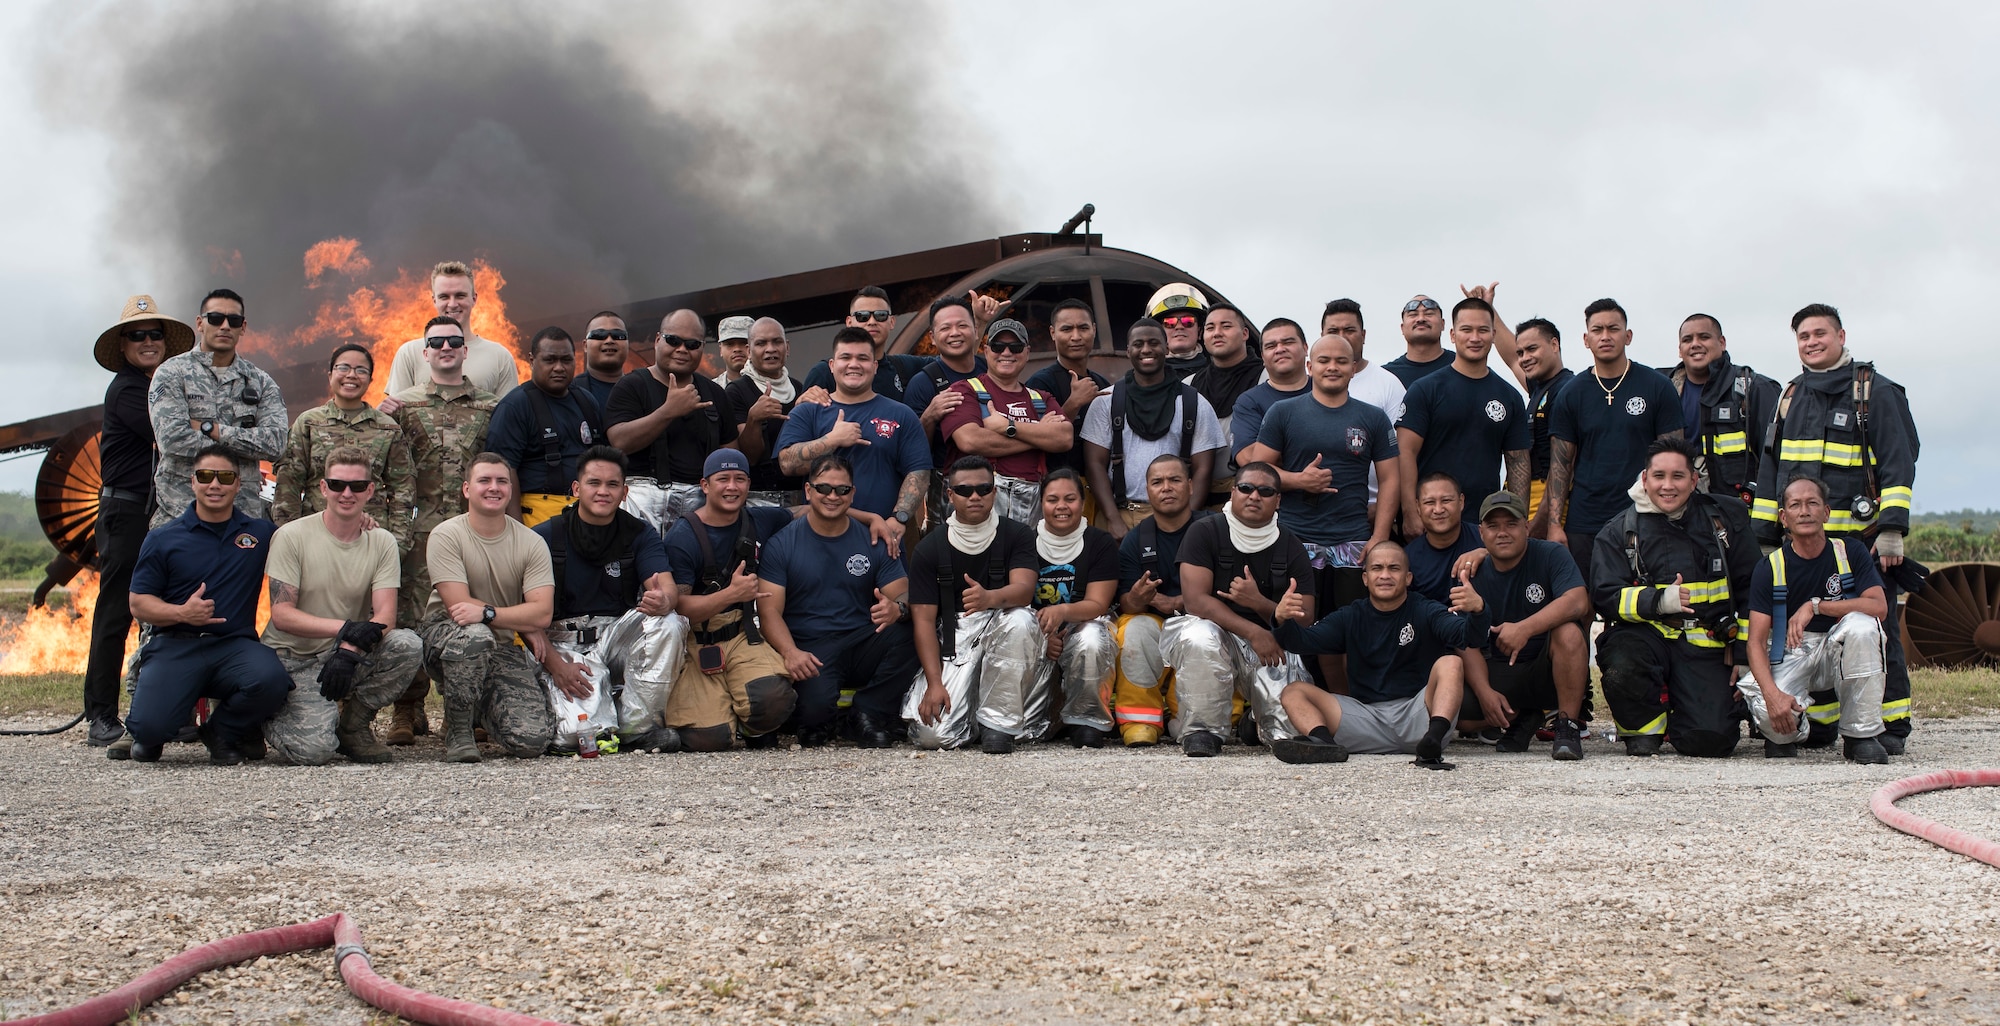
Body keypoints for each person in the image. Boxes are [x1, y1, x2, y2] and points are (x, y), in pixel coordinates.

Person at [1753, 303, 1919, 751]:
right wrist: (1769, 539)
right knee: (1807, 637)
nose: (1811, 342)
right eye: (1803, 336)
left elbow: (1899, 462)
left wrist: (1892, 529)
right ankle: (1823, 722)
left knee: (1875, 631)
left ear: (1841, 336)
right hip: (1804, 547)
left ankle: (1889, 725)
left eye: (1820, 333)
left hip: (1862, 544)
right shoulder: (1790, 396)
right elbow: (1772, 471)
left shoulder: (1874, 392)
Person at [1240, 334, 1400, 688]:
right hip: (1296, 540)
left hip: (1353, 543)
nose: (1332, 367)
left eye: (1341, 361)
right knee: (1295, 621)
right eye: (1324, 360)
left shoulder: (1372, 418)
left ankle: (1347, 704)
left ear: (1354, 368)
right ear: (1310, 367)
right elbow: (1256, 472)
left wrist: (1381, 536)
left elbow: (1391, 480)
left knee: (1348, 628)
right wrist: (1299, 480)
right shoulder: (1283, 412)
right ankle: (1280, 700)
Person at [119, 447, 290, 764]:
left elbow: (306, 539)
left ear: (238, 485)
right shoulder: (163, 539)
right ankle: (153, 727)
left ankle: (221, 731)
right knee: (149, 732)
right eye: (205, 476)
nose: (215, 485)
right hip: (176, 646)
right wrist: (181, 613)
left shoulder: (260, 533)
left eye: (225, 477)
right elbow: (138, 603)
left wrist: (357, 520)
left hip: (233, 647)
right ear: (192, 482)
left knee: (272, 681)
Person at [1591, 437, 1758, 757]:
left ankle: (1695, 714)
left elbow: (1754, 589)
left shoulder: (1724, 521)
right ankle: (1644, 730)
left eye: (1678, 476)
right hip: (1647, 639)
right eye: (1659, 476)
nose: (1668, 486)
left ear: (1694, 480)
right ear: (1644, 479)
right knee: (1622, 656)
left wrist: (1744, 650)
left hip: (1707, 644)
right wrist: (1657, 602)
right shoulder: (1619, 530)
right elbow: (1605, 595)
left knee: (1709, 741)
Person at [260, 447, 424, 765]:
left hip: (348, 652)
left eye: (357, 486)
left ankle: (354, 726)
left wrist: (350, 649)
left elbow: (386, 615)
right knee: (315, 751)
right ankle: (268, 716)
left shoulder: (382, 542)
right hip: (296, 659)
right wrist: (346, 630)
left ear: (370, 491)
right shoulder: (291, 537)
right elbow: (282, 615)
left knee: (407, 645)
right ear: (323, 488)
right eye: (337, 485)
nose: (346, 494)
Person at [83, 295, 193, 747]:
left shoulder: (160, 384)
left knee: (167, 611)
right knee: (118, 611)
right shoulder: (129, 390)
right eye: (137, 336)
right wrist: (209, 427)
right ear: (124, 346)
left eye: (155, 335)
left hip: (159, 510)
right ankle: (101, 714)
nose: (148, 342)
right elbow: (169, 433)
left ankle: (169, 708)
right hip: (126, 511)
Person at [384, 315, 500, 743]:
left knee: (467, 613)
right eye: (437, 342)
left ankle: (465, 709)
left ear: (465, 349)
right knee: (411, 618)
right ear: (425, 351)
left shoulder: (491, 407)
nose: (446, 347)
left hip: (474, 533)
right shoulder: (403, 406)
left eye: (455, 340)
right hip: (423, 532)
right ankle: (408, 709)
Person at [1268, 540, 1483, 767]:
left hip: (1418, 717)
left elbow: (1469, 638)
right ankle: (1324, 745)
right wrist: (1281, 618)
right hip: (1364, 718)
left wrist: (1478, 611)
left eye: (1394, 568)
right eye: (1377, 568)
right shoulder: (1350, 616)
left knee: (1451, 662)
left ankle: (1432, 743)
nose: (1385, 575)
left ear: (1408, 578)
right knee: (1293, 692)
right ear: (1365, 578)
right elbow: (1302, 642)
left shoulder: (1426, 610)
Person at [527, 446, 684, 755]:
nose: (603, 491)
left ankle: (636, 729)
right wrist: (555, 664)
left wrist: (663, 600)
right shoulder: (545, 536)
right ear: (576, 488)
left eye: (612, 485)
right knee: (576, 737)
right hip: (564, 641)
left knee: (670, 622)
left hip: (614, 636)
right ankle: (597, 709)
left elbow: (668, 589)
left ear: (624, 491)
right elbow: (522, 615)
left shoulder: (639, 533)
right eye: (593, 483)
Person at [757, 455, 918, 747]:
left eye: (842, 490)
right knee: (814, 723)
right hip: (811, 647)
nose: (833, 496)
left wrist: (898, 608)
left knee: (915, 629)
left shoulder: (874, 540)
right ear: (808, 491)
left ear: (853, 494)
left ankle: (867, 712)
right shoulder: (781, 543)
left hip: (862, 639)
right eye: (824, 489)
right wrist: (790, 652)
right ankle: (824, 714)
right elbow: (769, 612)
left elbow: (904, 591)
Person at [1165, 462, 1315, 757]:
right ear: (1232, 492)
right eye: (1245, 488)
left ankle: (1255, 723)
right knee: (1199, 634)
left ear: (1278, 500)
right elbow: (1195, 601)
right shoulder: (1204, 532)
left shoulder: (1291, 545)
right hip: (1219, 637)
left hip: (1269, 644)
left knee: (1287, 734)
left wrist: (1260, 604)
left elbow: (1306, 617)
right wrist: (1253, 630)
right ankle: (1202, 730)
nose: (1254, 496)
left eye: (1266, 491)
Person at [1740, 475, 1891, 763]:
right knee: (1770, 714)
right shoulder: (1769, 567)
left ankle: (1860, 736)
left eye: (1812, 503)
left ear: (1826, 512)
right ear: (1784, 517)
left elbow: (1878, 607)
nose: (1805, 511)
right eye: (1795, 505)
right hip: (1792, 651)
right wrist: (1772, 696)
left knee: (1863, 626)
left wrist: (1817, 606)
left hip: (1840, 647)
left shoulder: (1850, 551)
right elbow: (1756, 643)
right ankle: (1791, 732)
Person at [419, 454, 557, 762]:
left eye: (501, 481)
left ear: (510, 489)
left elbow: (543, 613)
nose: (493, 488)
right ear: (467, 489)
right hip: (447, 637)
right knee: (475, 636)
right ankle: (459, 729)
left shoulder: (531, 542)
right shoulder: (446, 535)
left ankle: (481, 707)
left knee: (530, 742)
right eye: (484, 481)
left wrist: (494, 614)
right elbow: (458, 606)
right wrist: (520, 619)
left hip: (500, 646)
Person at [660, 449, 800, 751]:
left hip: (743, 635)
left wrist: (873, 519)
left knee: (774, 699)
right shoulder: (683, 536)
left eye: (739, 479)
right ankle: (723, 718)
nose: (732, 487)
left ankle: (751, 724)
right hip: (696, 643)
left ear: (749, 485)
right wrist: (732, 595)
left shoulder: (760, 519)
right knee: (708, 739)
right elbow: (680, 610)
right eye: (722, 479)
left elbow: (808, 510)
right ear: (705, 485)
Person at [1538, 299, 1685, 578]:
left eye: (1613, 329)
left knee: (1647, 598)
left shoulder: (1657, 386)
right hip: (1585, 520)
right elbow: (1560, 465)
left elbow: (1675, 457)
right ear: (1586, 339)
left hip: (1646, 515)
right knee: (1586, 603)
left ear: (1627, 336)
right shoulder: (1572, 393)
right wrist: (1554, 525)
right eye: (1597, 330)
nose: (1605, 336)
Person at [904, 456, 1042, 752]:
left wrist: (989, 598)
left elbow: (1024, 591)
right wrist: (935, 683)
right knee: (932, 737)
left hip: (1007, 631)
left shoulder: (1018, 534)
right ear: (949, 495)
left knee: (1021, 619)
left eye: (983, 488)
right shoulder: (929, 548)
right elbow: (924, 622)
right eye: (965, 490)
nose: (975, 496)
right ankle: (976, 716)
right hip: (955, 642)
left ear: (995, 492)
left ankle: (998, 727)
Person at [1459, 491, 1589, 760]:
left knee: (1569, 632)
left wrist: (1525, 628)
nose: (1502, 533)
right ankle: (1522, 717)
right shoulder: (1472, 572)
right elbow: (1465, 640)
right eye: (1493, 526)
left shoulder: (1550, 554)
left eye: (1511, 524)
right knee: (1449, 705)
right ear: (1481, 533)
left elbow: (1578, 601)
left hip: (1551, 671)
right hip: (1501, 671)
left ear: (1526, 527)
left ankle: (1567, 727)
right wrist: (1484, 693)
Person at [148, 287, 289, 527]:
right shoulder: (172, 374)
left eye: (233, 321)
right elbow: (172, 439)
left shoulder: (260, 382)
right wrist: (246, 446)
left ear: (242, 327)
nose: (225, 326)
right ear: (200, 323)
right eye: (215, 318)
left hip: (242, 518)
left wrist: (211, 429)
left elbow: (275, 444)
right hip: (180, 514)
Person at [1081, 318, 1226, 539]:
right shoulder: (1106, 401)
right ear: (1128, 350)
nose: (1146, 349)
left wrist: (1187, 522)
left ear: (1166, 348)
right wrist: (1113, 519)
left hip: (1175, 518)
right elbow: (1094, 464)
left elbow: (1203, 470)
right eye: (1138, 344)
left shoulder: (1194, 403)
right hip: (1119, 515)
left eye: (1154, 343)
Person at [776, 328, 929, 536]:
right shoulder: (807, 411)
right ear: (832, 365)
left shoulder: (902, 414)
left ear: (875, 366)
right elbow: (787, 464)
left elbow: (918, 471)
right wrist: (832, 440)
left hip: (882, 536)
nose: (854, 364)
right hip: (820, 538)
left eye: (863, 358)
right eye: (845, 357)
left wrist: (899, 517)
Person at [1395, 296, 1529, 535]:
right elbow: (1405, 453)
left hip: (1484, 524)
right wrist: (1410, 512)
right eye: (1466, 330)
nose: (1475, 338)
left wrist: (1516, 518)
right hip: (1430, 524)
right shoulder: (1425, 390)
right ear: (1453, 335)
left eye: (1483, 330)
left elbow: (1517, 462)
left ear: (1494, 334)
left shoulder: (1509, 396)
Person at [1110, 455, 1214, 747]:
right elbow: (1126, 605)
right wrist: (1137, 597)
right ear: (1147, 490)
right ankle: (1141, 722)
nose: (1166, 488)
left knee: (1209, 630)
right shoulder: (1134, 540)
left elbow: (1227, 590)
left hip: (1202, 620)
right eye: (1157, 482)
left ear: (1191, 486)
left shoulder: (1214, 528)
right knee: (1133, 628)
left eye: (1175, 480)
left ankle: (1197, 721)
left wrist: (1178, 602)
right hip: (1156, 624)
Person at [271, 344, 413, 548]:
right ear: (330, 375)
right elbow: (288, 485)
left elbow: (402, 491)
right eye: (343, 368)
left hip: (371, 540)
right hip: (315, 539)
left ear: (370, 380)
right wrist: (291, 540)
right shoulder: (309, 423)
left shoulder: (388, 428)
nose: (352, 375)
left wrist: (396, 546)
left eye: (361, 370)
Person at [606, 308, 736, 530]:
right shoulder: (631, 385)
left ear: (702, 348)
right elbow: (618, 441)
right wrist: (668, 411)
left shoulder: (715, 394)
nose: (682, 349)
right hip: (641, 507)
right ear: (658, 340)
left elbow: (731, 455)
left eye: (692, 344)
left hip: (702, 507)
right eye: (673, 340)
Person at [936, 317, 1070, 522]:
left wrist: (1009, 427)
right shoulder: (964, 390)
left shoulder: (1041, 398)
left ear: (1027, 352)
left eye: (1015, 347)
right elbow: (971, 440)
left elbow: (1064, 438)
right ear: (986, 351)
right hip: (975, 501)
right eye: (998, 346)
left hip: (1031, 506)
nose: (1006, 353)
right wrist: (1039, 435)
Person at [1026, 470, 1121, 747]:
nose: (1061, 507)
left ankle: (1086, 718)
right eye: (1052, 499)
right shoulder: (1024, 541)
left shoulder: (1100, 543)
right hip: (1037, 632)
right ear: (1041, 503)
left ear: (1082, 501)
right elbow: (1016, 603)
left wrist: (1062, 613)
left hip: (1081, 627)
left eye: (1070, 498)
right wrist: (1044, 636)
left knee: (1092, 638)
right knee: (1029, 730)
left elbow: (1098, 604)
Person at [486, 327, 606, 526]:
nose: (559, 367)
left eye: (566, 360)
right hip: (537, 518)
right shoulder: (514, 406)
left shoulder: (587, 401)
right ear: (532, 361)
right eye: (550, 360)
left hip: (589, 514)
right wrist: (517, 534)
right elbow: (503, 472)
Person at [1662, 313, 1779, 506]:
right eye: (1687, 339)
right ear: (1679, 349)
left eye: (1704, 337)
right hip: (1680, 513)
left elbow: (1775, 462)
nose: (1695, 344)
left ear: (1722, 343)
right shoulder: (1664, 390)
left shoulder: (1755, 389)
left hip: (1738, 517)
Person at [382, 260, 520, 402]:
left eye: (460, 295)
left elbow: (508, 416)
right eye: (444, 297)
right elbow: (395, 413)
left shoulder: (499, 357)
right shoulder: (409, 353)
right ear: (434, 300)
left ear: (474, 299)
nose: (453, 304)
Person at [1319, 298, 1407, 509]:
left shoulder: (1388, 384)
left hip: (1375, 507)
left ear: (1363, 335)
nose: (1342, 337)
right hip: (1315, 510)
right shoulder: (1310, 382)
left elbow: (1402, 452)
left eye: (1349, 330)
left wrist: (1389, 506)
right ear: (1322, 336)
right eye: (1333, 331)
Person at [726, 316, 810, 507]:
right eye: (761, 343)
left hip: (800, 498)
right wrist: (753, 419)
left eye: (777, 342)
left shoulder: (800, 389)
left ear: (787, 347)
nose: (770, 349)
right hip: (756, 500)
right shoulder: (736, 391)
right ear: (749, 350)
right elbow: (747, 457)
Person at [801, 286, 934, 405]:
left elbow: (947, 363)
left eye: (880, 315)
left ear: (892, 322)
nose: (872, 321)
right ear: (849, 322)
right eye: (862, 316)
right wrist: (801, 403)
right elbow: (802, 424)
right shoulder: (824, 373)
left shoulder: (903, 367)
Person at [1494, 316, 1573, 518]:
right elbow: (1512, 360)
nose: (1524, 358)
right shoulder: (1540, 386)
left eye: (1532, 349)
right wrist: (1488, 308)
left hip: (1546, 496)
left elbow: (1565, 465)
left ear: (1554, 344)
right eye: (1521, 352)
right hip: (1521, 492)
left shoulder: (1566, 390)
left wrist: (1544, 519)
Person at [1023, 298, 1110, 480]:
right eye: (1067, 329)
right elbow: (1033, 440)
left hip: (1101, 489)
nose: (1076, 337)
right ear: (1053, 333)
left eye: (1083, 328)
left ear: (1094, 329)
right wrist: (1073, 403)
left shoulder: (1103, 384)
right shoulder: (1040, 384)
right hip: (1057, 490)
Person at [1191, 302, 1265, 508]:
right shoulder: (1188, 385)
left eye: (1226, 326)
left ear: (1244, 333)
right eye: (1210, 328)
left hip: (1252, 497)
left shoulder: (1267, 379)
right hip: (1198, 499)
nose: (1217, 333)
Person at [1229, 318, 1309, 474]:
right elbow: (1249, 460)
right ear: (1263, 357)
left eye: (1288, 342)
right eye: (1271, 346)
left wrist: (1274, 452)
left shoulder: (1326, 390)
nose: (1280, 349)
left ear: (1305, 348)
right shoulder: (1249, 402)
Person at [1406, 474, 1485, 604]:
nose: (1438, 510)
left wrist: (1487, 553)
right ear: (1418, 507)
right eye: (1429, 502)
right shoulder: (1409, 558)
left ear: (1461, 502)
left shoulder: (1485, 537)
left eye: (1446, 500)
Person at [1382, 295, 1454, 388]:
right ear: (1402, 328)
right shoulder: (1386, 376)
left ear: (1442, 324)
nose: (1421, 319)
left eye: (1429, 313)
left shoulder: (1463, 366)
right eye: (1413, 314)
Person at [1147, 283, 1210, 377]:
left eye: (1188, 321)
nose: (1179, 327)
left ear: (1200, 332)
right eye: (1169, 322)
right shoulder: (1144, 378)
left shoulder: (1219, 374)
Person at [577, 310, 630, 410]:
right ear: (585, 345)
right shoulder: (569, 392)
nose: (609, 340)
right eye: (599, 334)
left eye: (617, 335)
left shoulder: (642, 389)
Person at [714, 315, 752, 387]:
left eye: (744, 342)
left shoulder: (771, 385)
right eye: (730, 344)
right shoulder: (711, 389)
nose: (737, 349)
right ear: (720, 350)